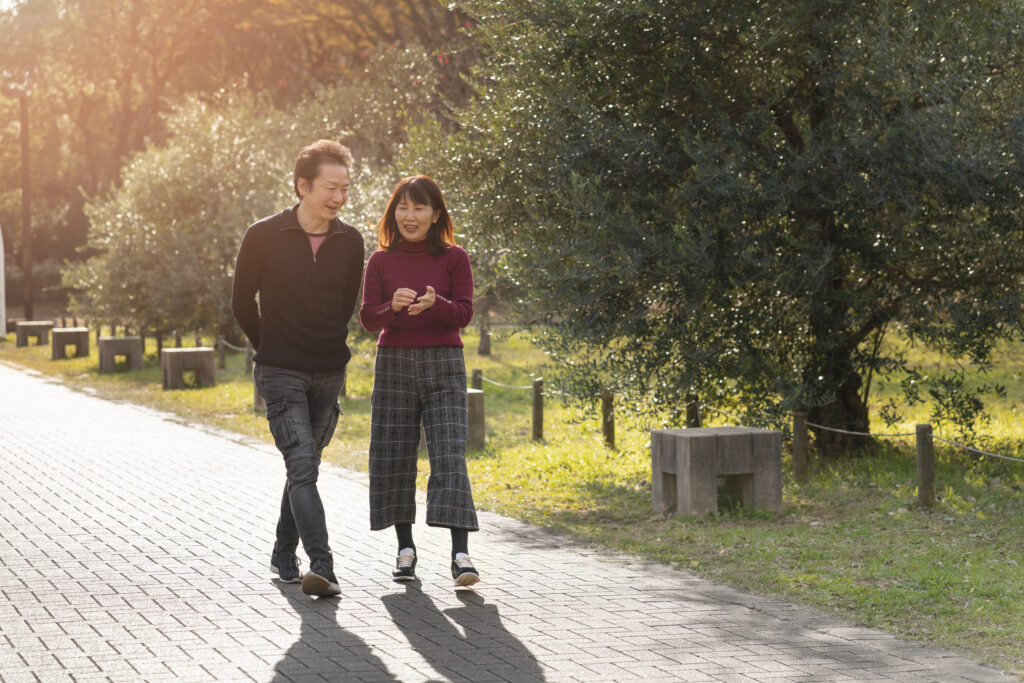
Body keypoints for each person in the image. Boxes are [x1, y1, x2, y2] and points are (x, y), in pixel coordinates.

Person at [231, 140, 364, 597]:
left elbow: (346, 304)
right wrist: (269, 345)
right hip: (280, 371)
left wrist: (327, 345)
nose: (339, 198)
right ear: (303, 186)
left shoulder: (351, 241)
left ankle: (283, 553)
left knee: (302, 469)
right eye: (331, 188)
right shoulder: (263, 235)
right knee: (303, 465)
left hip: (329, 372)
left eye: (345, 189)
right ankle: (323, 565)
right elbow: (240, 301)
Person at [359, 175, 481, 587]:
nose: (410, 216)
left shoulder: (454, 257)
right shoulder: (379, 261)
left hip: (445, 363)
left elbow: (464, 314)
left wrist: (437, 303)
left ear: (435, 214)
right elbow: (366, 319)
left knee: (449, 454)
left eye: (419, 208)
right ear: (393, 212)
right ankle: (405, 551)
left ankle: (460, 555)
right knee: (393, 457)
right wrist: (389, 308)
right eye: (403, 207)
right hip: (393, 363)